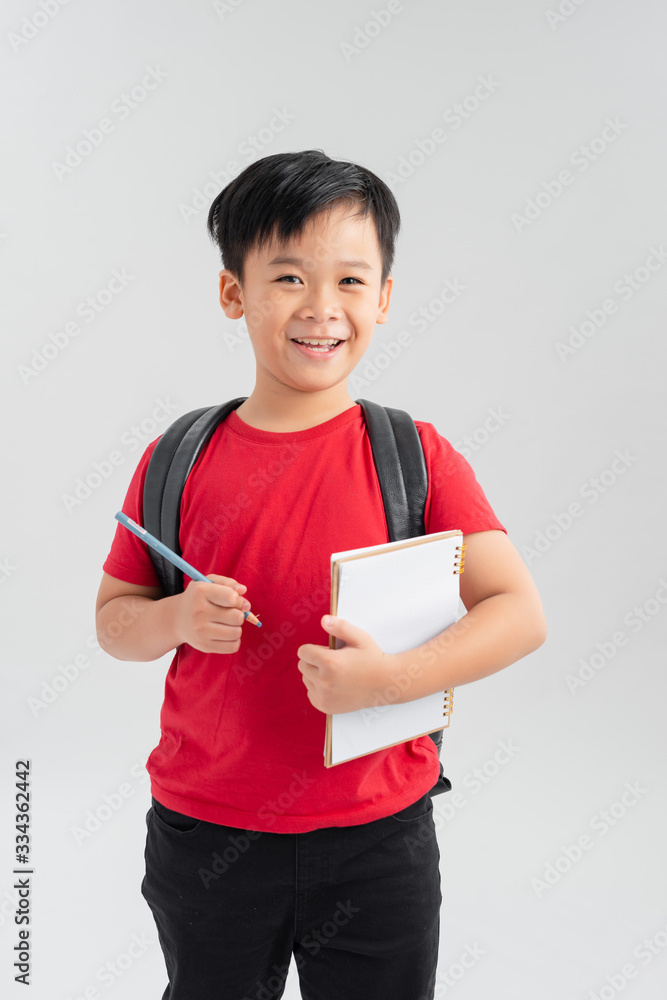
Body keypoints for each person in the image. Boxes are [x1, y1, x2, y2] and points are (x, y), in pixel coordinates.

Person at [95, 149, 547, 1000]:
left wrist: (389, 680)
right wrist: (175, 620)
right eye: (289, 277)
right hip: (206, 836)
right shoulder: (176, 460)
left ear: (382, 297)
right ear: (234, 294)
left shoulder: (415, 455)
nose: (320, 309)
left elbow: (518, 612)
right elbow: (116, 617)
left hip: (378, 838)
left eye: (348, 281)